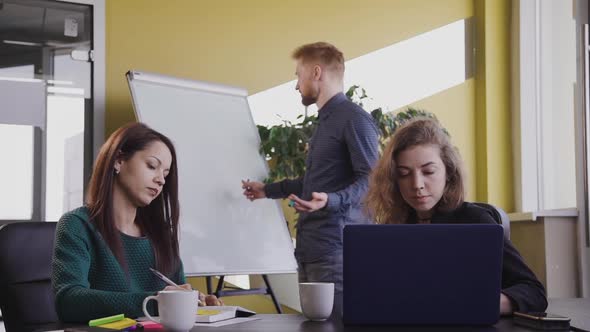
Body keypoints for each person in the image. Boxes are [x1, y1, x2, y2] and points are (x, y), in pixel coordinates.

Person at [364, 117, 548, 314]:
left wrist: (476, 303)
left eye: (428, 171)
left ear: (448, 172)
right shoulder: (394, 226)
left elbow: (534, 292)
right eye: (404, 173)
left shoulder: (476, 221)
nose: (417, 184)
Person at [241, 42, 380, 298]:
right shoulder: (325, 122)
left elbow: (373, 180)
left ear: (316, 73)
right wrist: (267, 191)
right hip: (311, 251)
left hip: (337, 252)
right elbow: (315, 183)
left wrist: (331, 200)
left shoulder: (354, 118)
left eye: (298, 75)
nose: (296, 85)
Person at [52, 122, 220, 323]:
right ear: (118, 160)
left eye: (165, 174)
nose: (161, 180)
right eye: (152, 166)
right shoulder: (76, 225)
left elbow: (176, 292)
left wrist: (194, 302)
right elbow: (69, 302)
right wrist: (155, 302)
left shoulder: (161, 235)